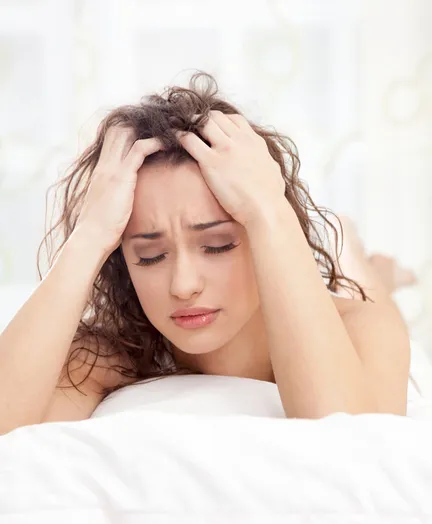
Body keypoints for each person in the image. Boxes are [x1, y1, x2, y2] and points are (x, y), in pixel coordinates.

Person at [0, 71, 413, 435]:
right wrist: (89, 235)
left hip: (341, 289)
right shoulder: (111, 354)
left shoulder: (366, 325)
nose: (183, 286)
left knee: (369, 286)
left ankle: (358, 254)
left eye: (217, 245)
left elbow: (346, 439)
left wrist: (270, 210)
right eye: (149, 255)